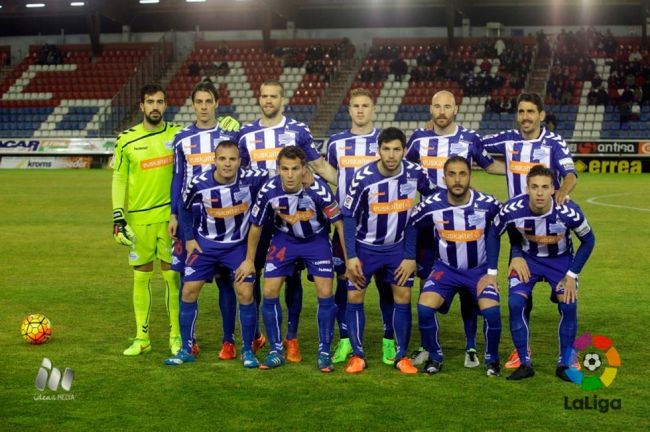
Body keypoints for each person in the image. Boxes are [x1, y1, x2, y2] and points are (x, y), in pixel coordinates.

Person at [237, 80, 337, 362]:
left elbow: (318, 165)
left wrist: (347, 189)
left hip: (293, 217)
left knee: (292, 278)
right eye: (264, 96)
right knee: (256, 273)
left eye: (274, 96)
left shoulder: (297, 130)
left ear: (283, 100)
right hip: (260, 214)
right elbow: (238, 173)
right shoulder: (245, 134)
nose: (269, 101)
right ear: (259, 99)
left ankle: (290, 338)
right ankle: (258, 334)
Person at [406, 90, 505, 368]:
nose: (441, 111)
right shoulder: (418, 139)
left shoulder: (469, 139)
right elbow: (403, 167)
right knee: (427, 285)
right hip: (430, 222)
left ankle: (471, 346)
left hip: (465, 215)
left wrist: (526, 171)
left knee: (467, 285)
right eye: (436, 106)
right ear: (430, 108)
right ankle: (429, 347)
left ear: (455, 109)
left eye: (446, 106)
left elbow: (490, 165)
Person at [481, 92, 578, 369]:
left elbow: (570, 173)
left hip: (552, 230)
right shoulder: (507, 139)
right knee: (519, 297)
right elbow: (475, 145)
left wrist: (561, 192)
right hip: (519, 232)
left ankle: (569, 353)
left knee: (565, 300)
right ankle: (520, 351)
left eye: (531, 112)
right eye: (521, 112)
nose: (525, 117)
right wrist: (497, 166)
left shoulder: (553, 142)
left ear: (541, 115)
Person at [481, 165, 595, 381]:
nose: (540, 192)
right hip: (528, 261)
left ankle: (566, 362)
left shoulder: (569, 211)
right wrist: (493, 272)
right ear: (527, 189)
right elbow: (493, 234)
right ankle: (524, 362)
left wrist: (571, 275)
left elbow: (589, 240)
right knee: (515, 303)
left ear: (554, 189)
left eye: (545, 187)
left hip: (560, 263)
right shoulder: (511, 209)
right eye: (534, 187)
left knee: (568, 304)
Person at [236, 146, 344, 372]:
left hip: (316, 240)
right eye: (285, 169)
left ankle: (324, 352)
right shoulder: (269, 189)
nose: (290, 174)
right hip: (284, 240)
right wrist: (248, 260)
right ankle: (276, 350)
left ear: (304, 169)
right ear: (278, 170)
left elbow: (339, 224)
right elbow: (255, 226)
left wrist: (350, 257)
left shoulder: (319, 189)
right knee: (269, 291)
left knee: (325, 293)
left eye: (295, 169)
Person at [164, 141, 269, 367]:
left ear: (240, 161)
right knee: (189, 291)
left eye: (232, 159)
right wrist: (190, 239)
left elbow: (281, 174)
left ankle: (248, 350)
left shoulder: (253, 177)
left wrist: (310, 177)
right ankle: (186, 348)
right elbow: (183, 207)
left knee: (246, 293)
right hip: (205, 247)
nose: (227, 164)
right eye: (222, 159)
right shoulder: (199, 183)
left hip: (236, 247)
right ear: (215, 160)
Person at [342, 127, 437, 375]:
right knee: (354, 298)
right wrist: (351, 256)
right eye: (386, 149)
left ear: (405, 150)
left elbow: (434, 199)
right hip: (365, 249)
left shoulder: (415, 173)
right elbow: (349, 216)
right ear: (379, 150)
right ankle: (358, 355)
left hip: (398, 250)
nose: (392, 155)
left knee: (403, 297)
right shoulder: (363, 177)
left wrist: (410, 255)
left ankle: (401, 355)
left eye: (397, 149)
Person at [168, 81, 253, 360]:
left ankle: (231, 341)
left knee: (230, 282)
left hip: (231, 217)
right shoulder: (182, 138)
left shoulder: (230, 133)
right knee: (188, 281)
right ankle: (188, 342)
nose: (204, 107)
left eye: (208, 101)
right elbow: (178, 177)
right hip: (193, 215)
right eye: (199, 102)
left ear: (217, 103)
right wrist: (173, 214)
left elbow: (248, 166)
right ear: (193, 105)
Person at [410, 156, 502, 376]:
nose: (457, 179)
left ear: (470, 176)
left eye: (463, 173)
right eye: (452, 174)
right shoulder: (432, 204)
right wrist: (409, 257)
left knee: (492, 312)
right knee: (424, 308)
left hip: (478, 271)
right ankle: (435, 355)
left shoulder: (488, 203)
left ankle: (492, 359)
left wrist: (493, 270)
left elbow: (506, 224)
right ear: (444, 178)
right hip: (446, 270)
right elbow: (412, 225)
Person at [325, 88, 396, 366]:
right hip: (347, 226)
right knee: (345, 282)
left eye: (365, 105)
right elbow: (333, 174)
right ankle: (345, 341)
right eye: (355, 105)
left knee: (386, 286)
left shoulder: (384, 142)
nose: (360, 110)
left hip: (383, 226)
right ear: (349, 110)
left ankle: (389, 341)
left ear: (373, 109)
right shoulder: (336, 143)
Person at [112, 84, 183, 356]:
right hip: (139, 220)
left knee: (171, 277)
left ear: (166, 105)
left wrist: (227, 127)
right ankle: (142, 338)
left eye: (160, 101)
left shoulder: (177, 134)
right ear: (141, 106)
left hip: (170, 218)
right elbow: (118, 178)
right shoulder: (126, 140)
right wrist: (118, 215)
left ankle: (175, 336)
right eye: (150, 102)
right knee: (140, 278)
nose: (155, 106)